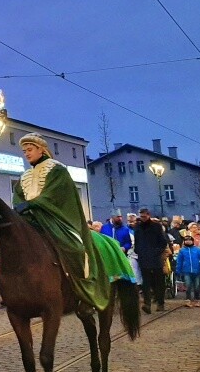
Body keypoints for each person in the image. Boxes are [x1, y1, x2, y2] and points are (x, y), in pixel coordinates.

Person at [13, 133, 133, 313]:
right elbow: (18, 197)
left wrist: (31, 204)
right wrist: (18, 208)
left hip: (58, 219)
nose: (27, 154)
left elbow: (54, 195)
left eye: (30, 150)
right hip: (32, 220)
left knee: (75, 249)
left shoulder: (57, 170)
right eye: (24, 151)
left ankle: (85, 293)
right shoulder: (25, 176)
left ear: (41, 149)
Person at [133, 207, 170, 314]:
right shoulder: (138, 227)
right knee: (146, 282)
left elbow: (163, 242)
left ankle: (160, 303)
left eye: (144, 216)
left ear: (148, 215)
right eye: (141, 216)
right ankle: (147, 304)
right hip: (143, 258)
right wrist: (138, 251)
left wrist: (156, 252)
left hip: (155, 258)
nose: (143, 218)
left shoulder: (156, 226)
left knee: (159, 282)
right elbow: (137, 241)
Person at [175, 234, 200, 307]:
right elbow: (179, 261)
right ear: (184, 242)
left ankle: (196, 299)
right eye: (186, 240)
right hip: (186, 271)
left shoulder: (197, 250)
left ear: (192, 241)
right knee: (188, 285)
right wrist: (178, 270)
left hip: (197, 271)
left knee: (197, 286)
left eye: (189, 240)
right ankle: (188, 299)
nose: (188, 241)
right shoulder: (182, 251)